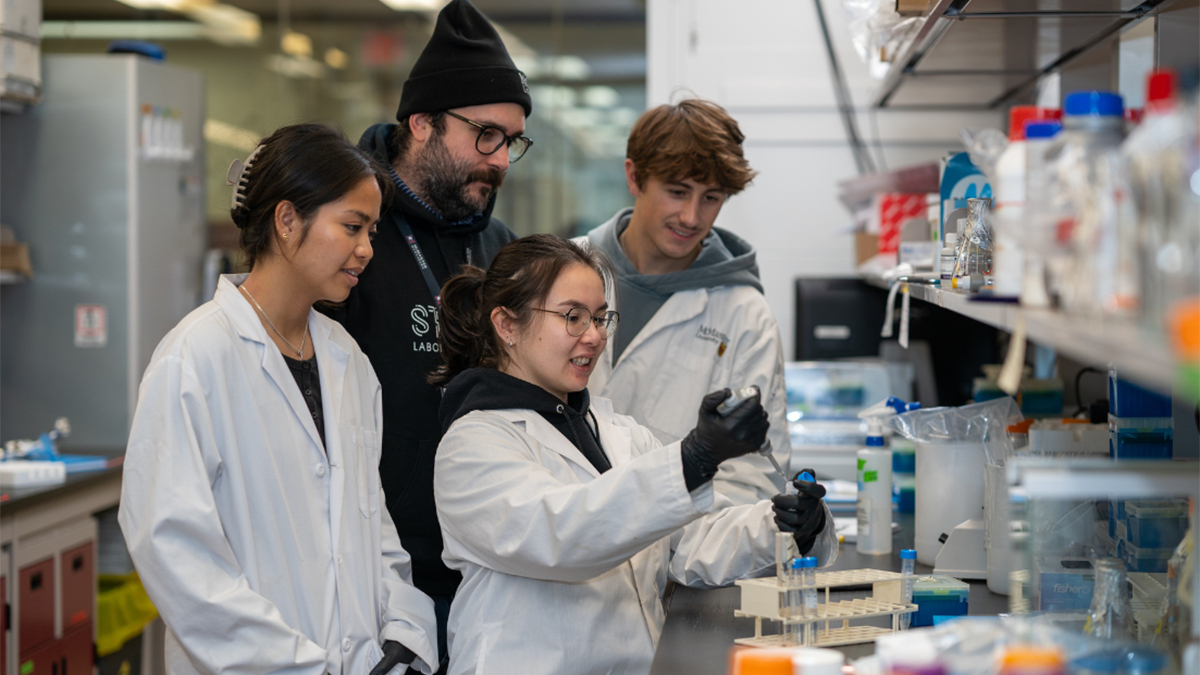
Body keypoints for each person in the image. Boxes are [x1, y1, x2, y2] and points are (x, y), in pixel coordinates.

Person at [430, 234, 835, 675]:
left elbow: (686, 541)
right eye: (573, 317)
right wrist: (692, 458)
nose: (595, 336)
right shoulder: (472, 445)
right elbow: (565, 534)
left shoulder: (614, 431)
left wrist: (787, 527)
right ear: (507, 325)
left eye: (601, 318)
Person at [119, 123, 438, 675]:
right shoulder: (195, 359)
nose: (366, 250)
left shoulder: (347, 360)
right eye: (352, 227)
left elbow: (371, 520)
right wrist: (291, 664)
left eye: (373, 231)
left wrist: (403, 626)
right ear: (287, 221)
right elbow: (176, 553)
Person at [318, 0, 530, 658]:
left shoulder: (498, 246)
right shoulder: (353, 241)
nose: (498, 159)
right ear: (421, 123)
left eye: (512, 141)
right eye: (484, 135)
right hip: (384, 577)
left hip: (488, 568)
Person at [581, 99, 792, 503]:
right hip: (557, 541)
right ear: (635, 177)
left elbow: (756, 477)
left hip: (682, 555)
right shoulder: (557, 274)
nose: (692, 217)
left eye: (711, 198)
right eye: (677, 192)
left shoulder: (744, 313)